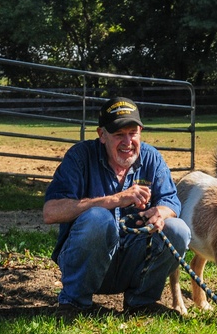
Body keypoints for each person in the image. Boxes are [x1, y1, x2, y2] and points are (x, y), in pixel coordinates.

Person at [43, 96, 191, 314]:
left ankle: (141, 303)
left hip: (132, 259)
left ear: (141, 131)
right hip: (88, 264)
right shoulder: (80, 157)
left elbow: (171, 202)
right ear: (102, 135)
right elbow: (50, 212)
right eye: (119, 134)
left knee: (178, 229)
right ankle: (74, 303)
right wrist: (114, 200)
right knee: (97, 218)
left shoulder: (152, 158)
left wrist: (160, 213)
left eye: (133, 133)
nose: (127, 141)